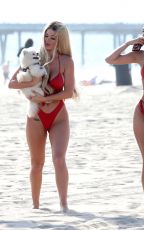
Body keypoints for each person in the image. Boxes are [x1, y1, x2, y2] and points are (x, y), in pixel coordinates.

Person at [8, 21, 78, 212]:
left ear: (60, 40)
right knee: (36, 163)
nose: (48, 40)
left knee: (58, 159)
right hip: (35, 116)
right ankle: (36, 206)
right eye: (46, 36)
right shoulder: (33, 56)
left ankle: (64, 204)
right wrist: (34, 82)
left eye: (53, 38)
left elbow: (69, 92)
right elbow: (11, 83)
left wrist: (46, 98)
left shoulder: (66, 61)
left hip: (58, 116)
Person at [105, 17, 144, 212]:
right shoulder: (141, 57)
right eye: (143, 30)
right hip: (143, 111)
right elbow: (110, 60)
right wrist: (129, 43)